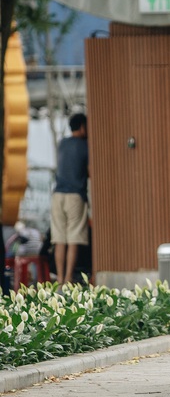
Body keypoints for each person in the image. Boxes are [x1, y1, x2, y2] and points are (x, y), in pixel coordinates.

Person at [50, 113, 89, 285]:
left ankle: (59, 279)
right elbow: (89, 171)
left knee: (59, 239)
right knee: (73, 238)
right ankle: (68, 279)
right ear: (82, 127)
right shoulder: (84, 145)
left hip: (57, 195)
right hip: (74, 196)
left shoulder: (62, 144)